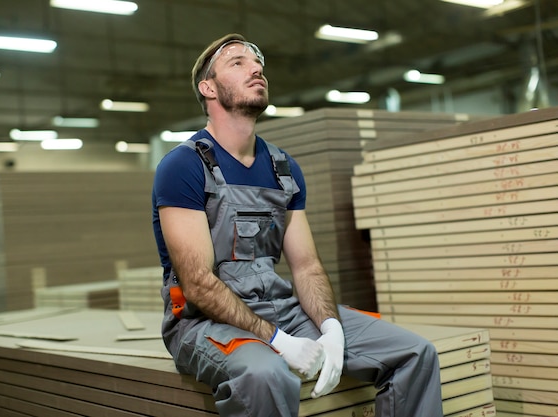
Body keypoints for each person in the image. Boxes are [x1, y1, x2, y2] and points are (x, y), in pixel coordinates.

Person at [152, 33, 444, 417]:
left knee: (415, 354)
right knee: (264, 374)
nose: (256, 67)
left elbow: (306, 266)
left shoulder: (282, 168)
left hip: (280, 309)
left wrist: (331, 328)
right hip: (203, 322)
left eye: (258, 61)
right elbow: (198, 284)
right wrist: (279, 341)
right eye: (237, 62)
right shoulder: (184, 166)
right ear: (208, 88)